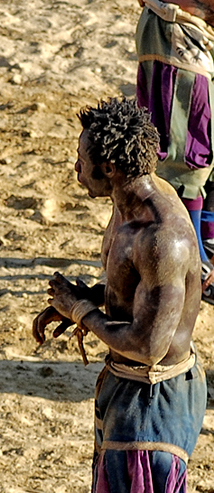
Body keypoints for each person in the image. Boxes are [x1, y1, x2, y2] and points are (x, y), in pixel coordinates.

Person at [32, 97, 206, 493]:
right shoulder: (127, 206)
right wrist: (81, 301)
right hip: (125, 388)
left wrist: (82, 313)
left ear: (106, 163)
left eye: (79, 157)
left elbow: (151, 345)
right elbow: (136, 307)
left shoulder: (163, 234)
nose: (72, 166)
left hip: (154, 396)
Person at [135, 0, 214, 301]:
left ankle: (205, 243)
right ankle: (192, 261)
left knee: (209, 150)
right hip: (179, 27)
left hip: (200, 29)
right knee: (186, 153)